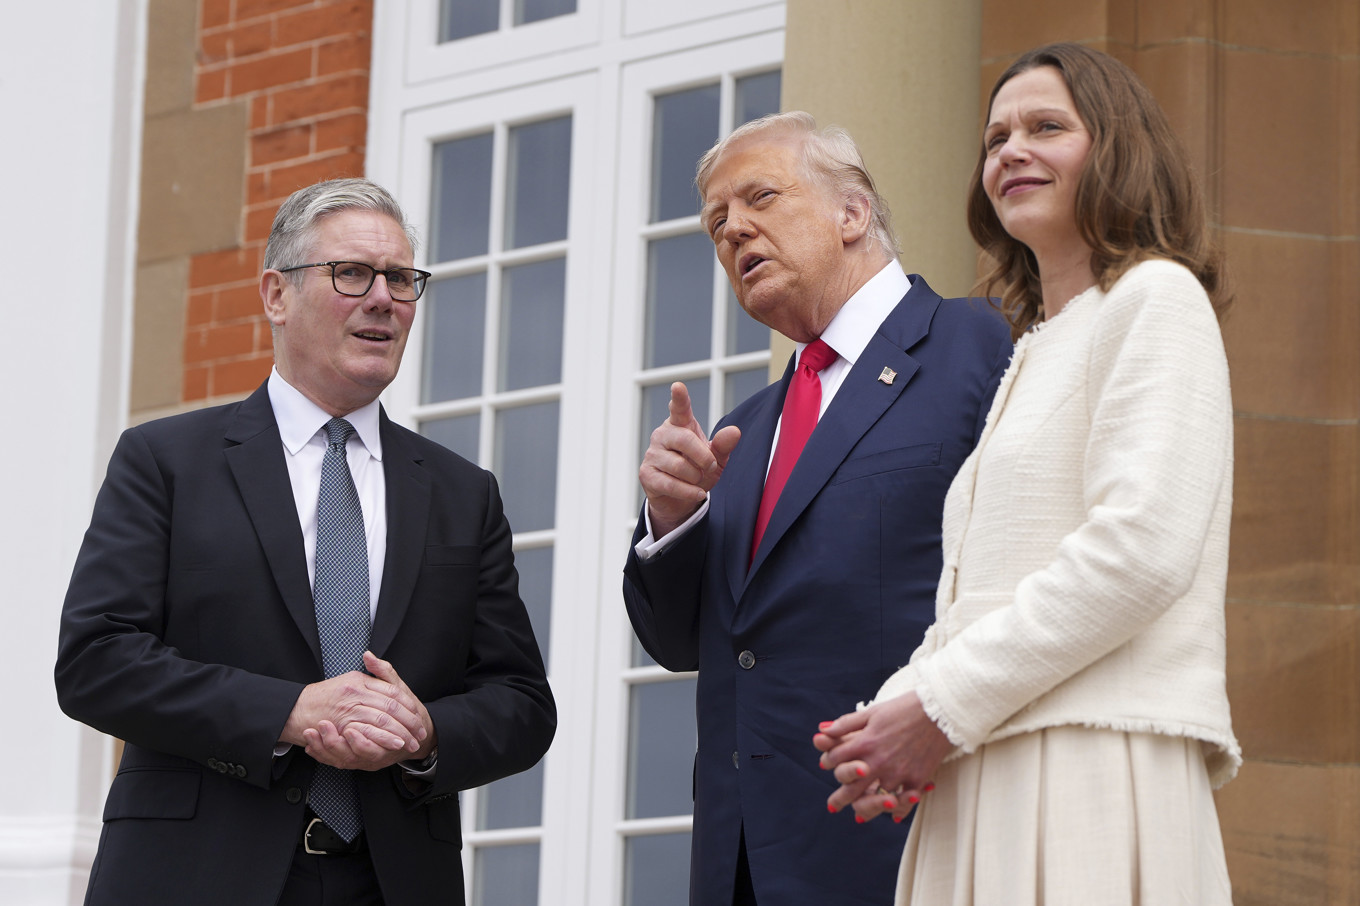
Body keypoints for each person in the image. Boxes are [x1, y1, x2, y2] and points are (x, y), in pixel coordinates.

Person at [815, 43, 1240, 905]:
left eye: (1047, 127)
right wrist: (891, 715)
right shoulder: (1033, 351)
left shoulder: (1156, 299)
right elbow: (986, 589)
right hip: (989, 756)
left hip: (1089, 759)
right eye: (996, 135)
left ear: (1118, 149)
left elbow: (1141, 550)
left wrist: (936, 707)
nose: (1011, 150)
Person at [55, 177, 556, 905]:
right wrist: (289, 713)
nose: (383, 297)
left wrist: (427, 731)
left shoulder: (461, 493)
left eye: (401, 278)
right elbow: (96, 661)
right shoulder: (165, 461)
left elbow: (520, 702)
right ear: (275, 295)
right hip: (196, 874)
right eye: (352, 273)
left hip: (392, 880)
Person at [623, 112, 1014, 905]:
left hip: (909, 836)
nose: (735, 230)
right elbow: (681, 642)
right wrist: (673, 522)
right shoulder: (746, 426)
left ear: (853, 212)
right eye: (716, 224)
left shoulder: (980, 346)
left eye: (761, 196)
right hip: (744, 862)